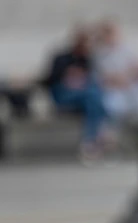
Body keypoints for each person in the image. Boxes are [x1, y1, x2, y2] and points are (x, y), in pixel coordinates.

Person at [43, 27, 108, 161]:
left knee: (92, 96)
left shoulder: (88, 60)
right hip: (63, 95)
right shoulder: (62, 58)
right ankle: (98, 135)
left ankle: (90, 141)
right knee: (93, 96)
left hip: (84, 98)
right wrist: (67, 76)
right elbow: (48, 80)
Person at [94, 19, 138, 119]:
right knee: (114, 107)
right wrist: (116, 79)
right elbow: (102, 76)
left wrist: (128, 76)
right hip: (114, 90)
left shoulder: (130, 48)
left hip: (134, 85)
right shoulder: (100, 53)